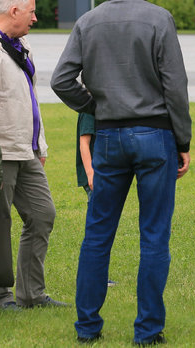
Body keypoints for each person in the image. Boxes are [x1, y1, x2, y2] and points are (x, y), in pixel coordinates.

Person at [51, 0, 192, 345]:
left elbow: (61, 80)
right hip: (155, 136)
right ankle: (147, 331)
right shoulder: (160, 20)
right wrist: (182, 138)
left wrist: (95, 106)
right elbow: (175, 87)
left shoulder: (88, 20)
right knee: (153, 235)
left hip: (108, 136)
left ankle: (87, 328)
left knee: (97, 234)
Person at [0, 0, 65, 310]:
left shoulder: (21, 44)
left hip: (26, 148)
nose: (35, 17)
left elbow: (30, 98)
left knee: (42, 214)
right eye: (32, 11)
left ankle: (31, 294)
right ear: (15, 10)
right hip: (0, 152)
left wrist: (40, 143)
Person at [75, 111, 117, 288]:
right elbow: (84, 141)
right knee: (98, 226)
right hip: (96, 176)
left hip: (106, 175)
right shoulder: (89, 109)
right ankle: (94, 275)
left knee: (103, 225)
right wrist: (91, 174)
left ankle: (98, 274)